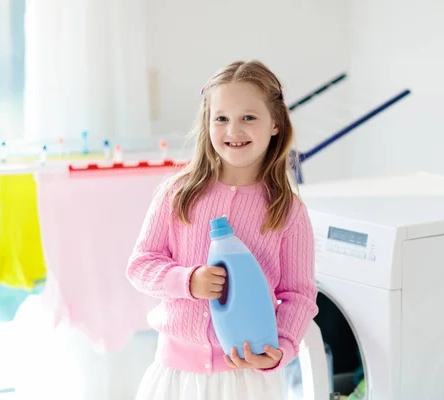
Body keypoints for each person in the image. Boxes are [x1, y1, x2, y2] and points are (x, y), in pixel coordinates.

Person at [126, 60, 318, 400]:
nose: (233, 130)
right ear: (207, 122)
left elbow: (298, 295)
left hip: (247, 380)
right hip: (176, 376)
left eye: (248, 117)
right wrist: (187, 281)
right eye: (222, 118)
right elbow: (141, 265)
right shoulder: (178, 193)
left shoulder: (287, 210)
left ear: (275, 123)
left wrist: (283, 347)